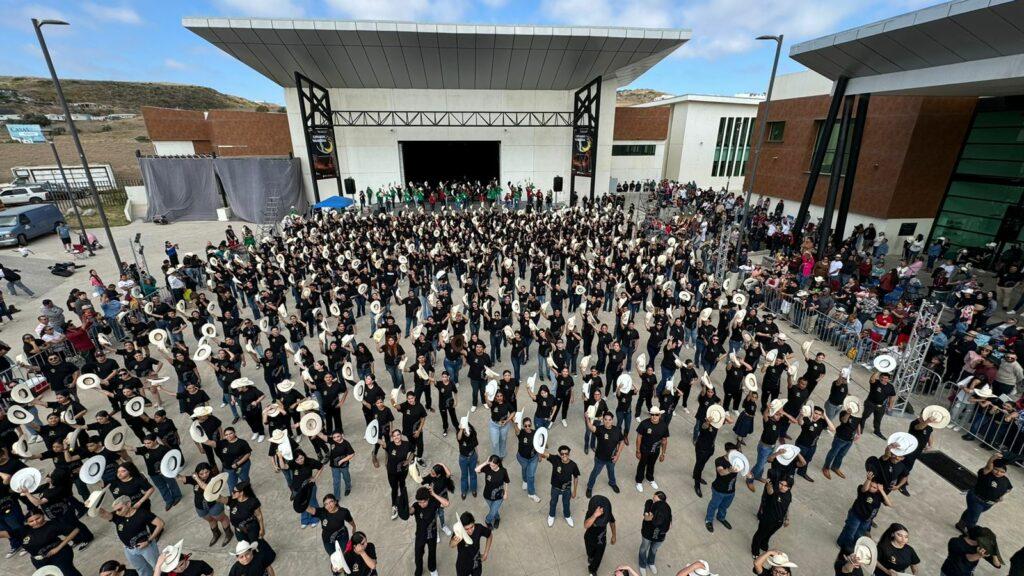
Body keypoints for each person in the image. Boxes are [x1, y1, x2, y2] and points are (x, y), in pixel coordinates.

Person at [95, 495, 166, 576]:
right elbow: (103, 513)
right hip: (129, 550)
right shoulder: (118, 516)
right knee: (142, 570)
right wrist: (93, 506)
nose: (117, 512)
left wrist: (149, 540)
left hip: (146, 547)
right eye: (115, 510)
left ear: (128, 504)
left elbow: (160, 523)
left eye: (119, 509)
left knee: (159, 566)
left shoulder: (142, 513)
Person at [956, 452, 1013, 533]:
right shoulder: (986, 473)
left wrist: (1002, 496)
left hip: (988, 504)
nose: (998, 473)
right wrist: (993, 457)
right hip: (977, 499)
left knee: (971, 511)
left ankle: (960, 524)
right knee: (973, 519)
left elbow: (1009, 489)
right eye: (996, 469)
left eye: (1002, 472)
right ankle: (971, 535)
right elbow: (988, 467)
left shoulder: (1005, 480)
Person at [411, 486, 449, 576]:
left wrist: (434, 494)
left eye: (423, 502)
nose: (421, 504)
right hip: (420, 535)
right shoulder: (416, 506)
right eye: (419, 502)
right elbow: (410, 511)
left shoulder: (433, 503)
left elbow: (446, 503)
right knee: (418, 555)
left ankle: (432, 568)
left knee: (432, 553)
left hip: (432, 534)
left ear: (428, 499)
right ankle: (419, 570)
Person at [585, 410, 624, 497]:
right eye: (605, 419)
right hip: (600, 459)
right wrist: (587, 418)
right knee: (595, 473)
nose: (607, 421)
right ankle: (589, 487)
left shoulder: (617, 430)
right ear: (603, 420)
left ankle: (612, 483)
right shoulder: (600, 429)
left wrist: (617, 455)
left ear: (612, 420)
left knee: (611, 471)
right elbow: (591, 427)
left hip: (612, 458)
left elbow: (621, 441)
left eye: (609, 419)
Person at [751, 478, 792, 556]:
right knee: (760, 535)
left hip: (778, 522)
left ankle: (763, 545)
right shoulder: (775, 491)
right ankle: (755, 552)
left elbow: (787, 507)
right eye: (781, 483)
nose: (782, 486)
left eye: (785, 486)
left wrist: (787, 518)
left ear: (789, 488)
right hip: (767, 520)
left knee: (769, 534)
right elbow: (770, 492)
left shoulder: (789, 494)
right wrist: (768, 485)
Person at [543, 444, 580, 527]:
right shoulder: (555, 459)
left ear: (569, 454)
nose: (564, 455)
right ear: (560, 454)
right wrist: (538, 445)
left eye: (566, 453)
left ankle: (567, 516)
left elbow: (576, 478)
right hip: (555, 488)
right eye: (562, 454)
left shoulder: (573, 465)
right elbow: (544, 453)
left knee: (566, 503)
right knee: (553, 502)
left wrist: (574, 491)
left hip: (567, 489)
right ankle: (551, 515)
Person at [634, 407, 669, 493]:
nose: (654, 416)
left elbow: (664, 440)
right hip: (644, 449)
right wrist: (638, 451)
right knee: (642, 464)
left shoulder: (664, 425)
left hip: (655, 450)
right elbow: (639, 437)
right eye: (652, 414)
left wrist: (663, 453)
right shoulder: (644, 424)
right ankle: (639, 481)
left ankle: (650, 478)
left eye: (656, 414)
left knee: (651, 464)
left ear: (659, 415)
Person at [637, 490, 671, 576]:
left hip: (659, 535)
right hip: (647, 532)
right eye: (654, 499)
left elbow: (669, 524)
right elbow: (646, 518)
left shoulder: (666, 508)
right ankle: (642, 564)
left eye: (656, 500)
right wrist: (652, 517)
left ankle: (651, 562)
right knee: (644, 548)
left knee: (654, 549)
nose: (654, 501)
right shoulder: (649, 503)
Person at [583, 494, 616, 576]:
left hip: (601, 540)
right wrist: (595, 515)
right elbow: (586, 525)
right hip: (589, 538)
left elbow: (612, 522)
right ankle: (590, 557)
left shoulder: (607, 514)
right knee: (590, 553)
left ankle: (592, 570)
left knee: (598, 558)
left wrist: (614, 535)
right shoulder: (590, 513)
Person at [451, 511, 492, 576]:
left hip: (476, 563)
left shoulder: (479, 528)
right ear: (462, 527)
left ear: (474, 522)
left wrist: (486, 553)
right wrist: (454, 541)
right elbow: (451, 545)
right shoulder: (458, 532)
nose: (470, 531)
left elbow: (489, 535)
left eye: (472, 527)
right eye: (466, 529)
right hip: (462, 565)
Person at [476, 454, 509, 529]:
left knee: (493, 511)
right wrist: (486, 463)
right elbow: (476, 470)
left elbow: (506, 481)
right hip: (487, 495)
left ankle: (487, 521)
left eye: (493, 465)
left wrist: (506, 492)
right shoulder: (488, 468)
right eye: (490, 465)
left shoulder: (503, 471)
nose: (491, 467)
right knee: (494, 510)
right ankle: (497, 518)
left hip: (499, 496)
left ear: (498, 464)